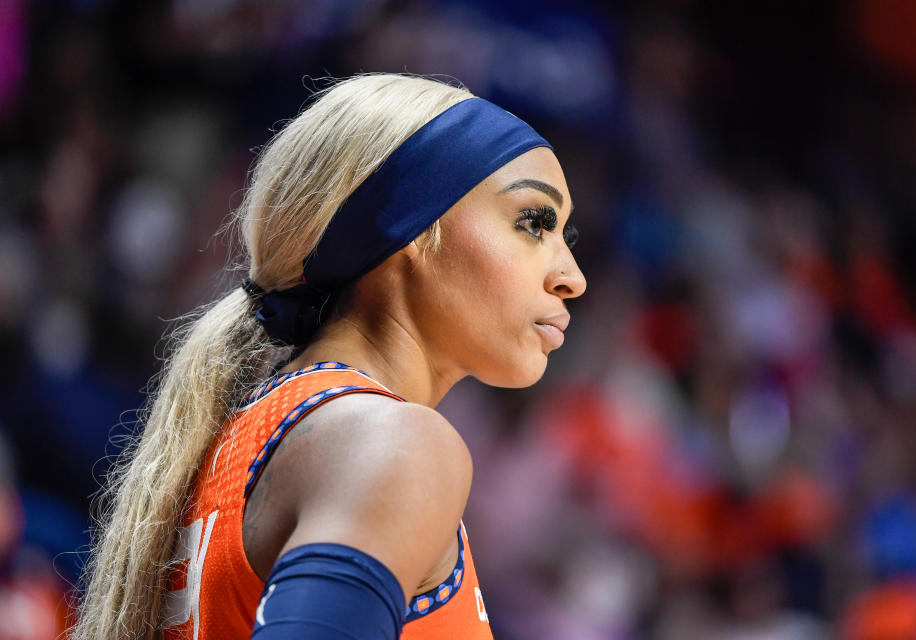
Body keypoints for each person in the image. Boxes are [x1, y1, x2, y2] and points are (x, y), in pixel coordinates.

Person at [72, 72, 586, 640]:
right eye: (533, 222)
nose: (572, 278)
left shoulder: (254, 429)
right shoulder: (392, 441)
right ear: (410, 222)